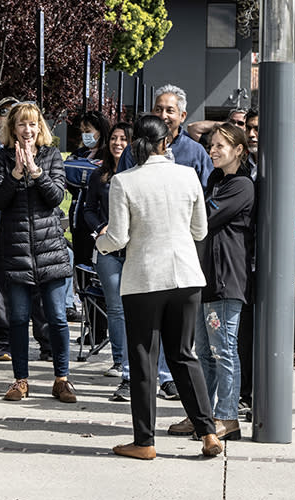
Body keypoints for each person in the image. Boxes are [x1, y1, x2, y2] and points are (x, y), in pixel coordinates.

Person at [96, 115, 222, 459]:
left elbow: (118, 237)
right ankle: (208, 432)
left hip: (145, 280)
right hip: (186, 276)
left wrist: (99, 243)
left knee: (143, 359)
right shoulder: (189, 175)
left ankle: (145, 441)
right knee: (184, 355)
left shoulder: (124, 181)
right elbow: (200, 231)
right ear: (167, 142)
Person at [168, 123, 254, 441]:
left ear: (239, 151)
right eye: (211, 145)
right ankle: (200, 417)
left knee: (224, 351)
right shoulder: (216, 180)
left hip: (226, 280)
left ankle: (227, 418)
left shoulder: (241, 185)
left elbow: (203, 217)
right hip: (205, 279)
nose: (212, 151)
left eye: (220, 146)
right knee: (202, 352)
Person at [0, 102, 77, 403]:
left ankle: (62, 378)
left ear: (40, 128)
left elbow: (56, 198)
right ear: (12, 128)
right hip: (15, 249)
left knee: (56, 317)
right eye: (22, 125)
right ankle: (20, 380)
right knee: (18, 318)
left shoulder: (52, 156)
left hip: (49, 247)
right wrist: (15, 173)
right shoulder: (1, 158)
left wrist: (36, 172)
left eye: (33, 124)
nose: (28, 130)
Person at [236, 108, 295, 417]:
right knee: (245, 331)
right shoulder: (241, 162)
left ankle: (268, 396)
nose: (253, 134)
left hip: (278, 256)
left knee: (274, 329)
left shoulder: (292, 158)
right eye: (248, 128)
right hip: (245, 259)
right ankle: (244, 394)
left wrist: (275, 217)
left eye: (258, 128)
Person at [0, 97, 53, 362]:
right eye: (5, 112)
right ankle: (4, 340)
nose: (20, 124)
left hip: (33, 233)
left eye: (29, 121)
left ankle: (46, 342)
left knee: (39, 289)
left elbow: (54, 192)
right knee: (0, 287)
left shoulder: (44, 153)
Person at [83, 121, 133, 400]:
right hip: (107, 250)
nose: (118, 143)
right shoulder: (99, 175)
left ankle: (130, 362)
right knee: (115, 307)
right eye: (114, 138)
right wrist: (100, 227)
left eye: (124, 139)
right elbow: (87, 210)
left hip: (133, 249)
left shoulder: (137, 174)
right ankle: (118, 360)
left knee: (132, 306)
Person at [68, 111, 110, 270]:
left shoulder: (108, 155)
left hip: (99, 218)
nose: (85, 135)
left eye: (88, 131)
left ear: (101, 131)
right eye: (82, 132)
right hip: (78, 216)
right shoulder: (78, 155)